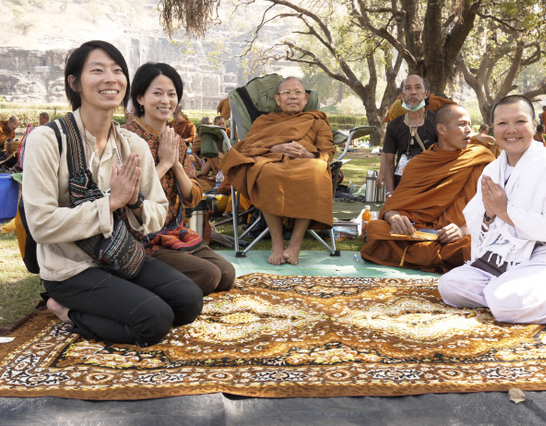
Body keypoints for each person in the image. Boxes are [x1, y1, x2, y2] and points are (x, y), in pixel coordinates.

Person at [22, 41, 203, 346]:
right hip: (70, 268)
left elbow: (157, 212)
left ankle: (117, 298)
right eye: (97, 70)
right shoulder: (48, 140)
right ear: (75, 82)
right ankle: (65, 310)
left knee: (188, 301)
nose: (110, 78)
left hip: (121, 256)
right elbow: (40, 225)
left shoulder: (133, 145)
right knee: (154, 320)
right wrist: (111, 203)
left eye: (117, 71)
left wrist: (134, 201)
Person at [438, 95, 546, 324]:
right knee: (450, 286)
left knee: (505, 304)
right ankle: (514, 293)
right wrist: (490, 215)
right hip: (502, 256)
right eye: (502, 124)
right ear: (493, 128)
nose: (511, 130)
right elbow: (479, 218)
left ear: (532, 124)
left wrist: (505, 211)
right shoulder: (492, 169)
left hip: (544, 257)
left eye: (520, 122)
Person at [124, 62, 235, 295]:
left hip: (171, 232)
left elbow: (193, 197)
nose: (166, 100)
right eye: (157, 93)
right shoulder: (127, 139)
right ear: (140, 98)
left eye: (171, 94)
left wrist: (175, 163)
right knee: (208, 275)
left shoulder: (173, 139)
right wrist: (164, 163)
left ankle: (169, 280)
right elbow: (129, 193)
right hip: (138, 236)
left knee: (226, 273)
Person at [361, 104, 495, 273]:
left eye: (470, 124)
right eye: (462, 125)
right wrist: (394, 218)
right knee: (376, 228)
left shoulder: (480, 158)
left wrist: (464, 230)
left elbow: (494, 211)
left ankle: (420, 255)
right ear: (441, 129)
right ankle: (438, 256)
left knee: (474, 244)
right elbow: (393, 206)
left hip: (458, 235)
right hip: (419, 231)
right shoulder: (419, 163)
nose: (469, 130)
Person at [221, 76, 335, 265]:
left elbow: (327, 152)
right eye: (287, 93)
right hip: (272, 162)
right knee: (266, 174)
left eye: (297, 92)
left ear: (305, 99)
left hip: (306, 163)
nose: (292, 97)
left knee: (316, 171)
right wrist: (273, 149)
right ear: (277, 99)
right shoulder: (264, 122)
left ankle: (295, 244)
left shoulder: (317, 121)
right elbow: (248, 147)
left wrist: (307, 154)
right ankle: (277, 242)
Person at [379, 75, 439, 196]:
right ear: (401, 95)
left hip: (430, 187)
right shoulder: (393, 126)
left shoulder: (437, 122)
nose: (412, 92)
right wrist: (390, 193)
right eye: (407, 88)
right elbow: (389, 162)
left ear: (426, 94)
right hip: (401, 186)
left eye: (418, 88)